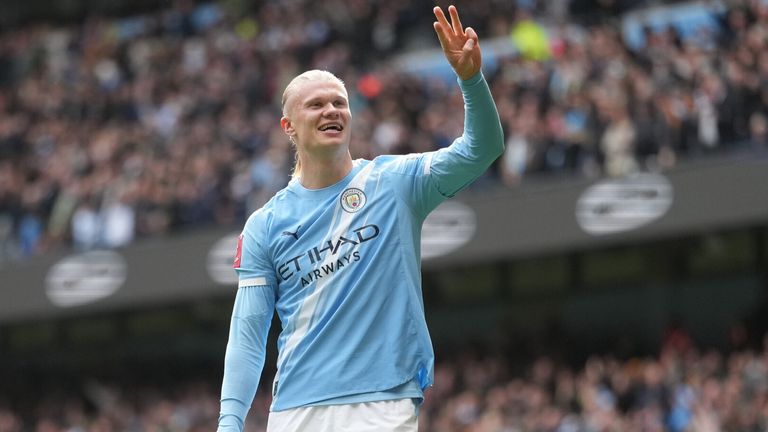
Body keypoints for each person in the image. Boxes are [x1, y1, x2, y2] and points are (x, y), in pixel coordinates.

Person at [217, 5, 504, 431]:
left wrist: (470, 79)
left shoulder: (394, 182)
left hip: (382, 404)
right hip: (296, 410)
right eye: (316, 105)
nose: (332, 110)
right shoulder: (265, 224)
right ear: (288, 126)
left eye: (340, 103)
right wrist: (229, 420)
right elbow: (248, 332)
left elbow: (481, 149)